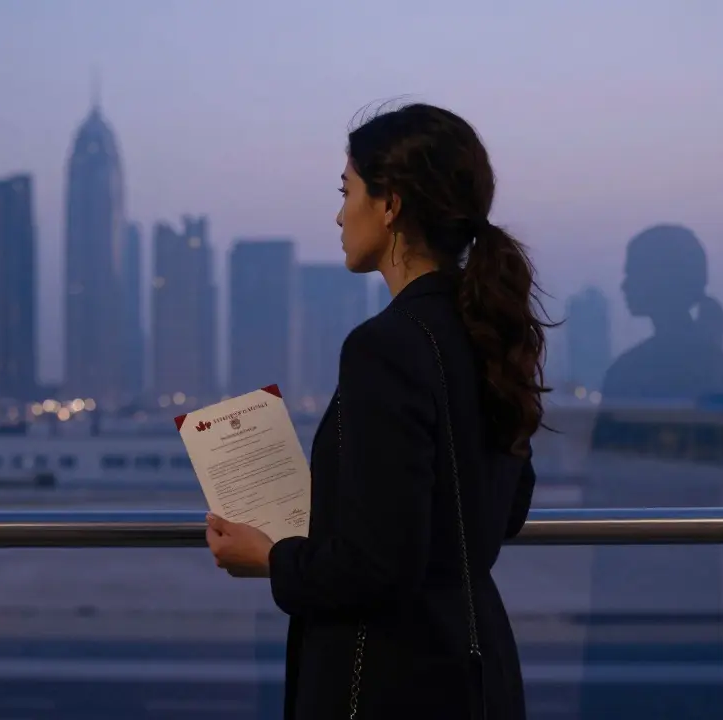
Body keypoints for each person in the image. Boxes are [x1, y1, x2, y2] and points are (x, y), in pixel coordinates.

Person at [205, 102, 549, 720]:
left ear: (389, 205)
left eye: (348, 191)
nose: (339, 215)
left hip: (391, 680)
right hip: (480, 667)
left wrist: (270, 558)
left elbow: (377, 566)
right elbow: (504, 510)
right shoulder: (489, 333)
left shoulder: (384, 347)